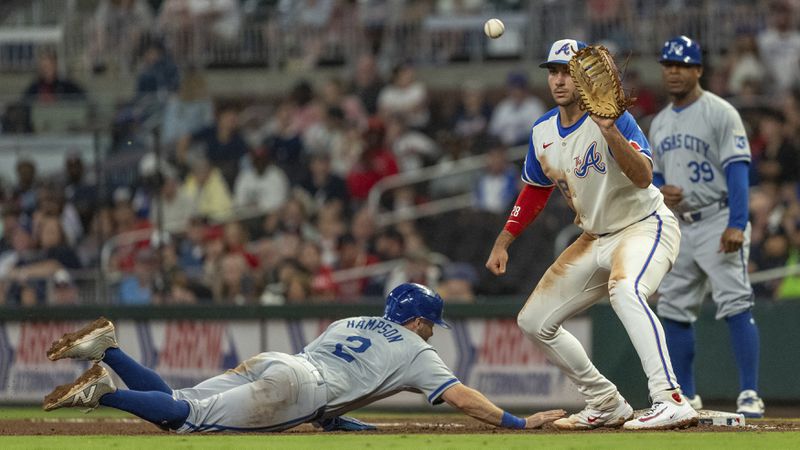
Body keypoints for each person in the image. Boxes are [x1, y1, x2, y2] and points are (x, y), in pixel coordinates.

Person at [485, 39, 698, 431]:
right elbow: (535, 188)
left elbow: (644, 177)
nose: (560, 79)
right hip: (593, 238)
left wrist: (610, 130)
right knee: (534, 321)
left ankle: (670, 399)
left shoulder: (614, 118)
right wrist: (504, 240)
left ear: (585, 77)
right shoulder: (543, 129)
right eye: (553, 71)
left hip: (644, 226)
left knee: (625, 290)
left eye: (568, 70)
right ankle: (605, 402)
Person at [43, 283, 565, 432]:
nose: (431, 331)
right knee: (188, 420)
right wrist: (518, 423)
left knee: (179, 400)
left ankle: (109, 348)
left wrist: (336, 422)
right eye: (430, 322)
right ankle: (108, 391)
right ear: (419, 320)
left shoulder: (346, 322)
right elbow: (462, 398)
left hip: (279, 363)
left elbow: (340, 376)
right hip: (301, 389)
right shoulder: (416, 349)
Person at [649, 36, 764, 418]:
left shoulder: (721, 112)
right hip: (682, 224)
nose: (674, 71)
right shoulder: (661, 122)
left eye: (682, 65)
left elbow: (738, 171)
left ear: (699, 70)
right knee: (675, 309)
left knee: (735, 303)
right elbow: (660, 179)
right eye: (669, 64)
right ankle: (687, 397)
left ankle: (749, 392)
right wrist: (663, 193)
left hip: (718, 216)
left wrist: (737, 222)